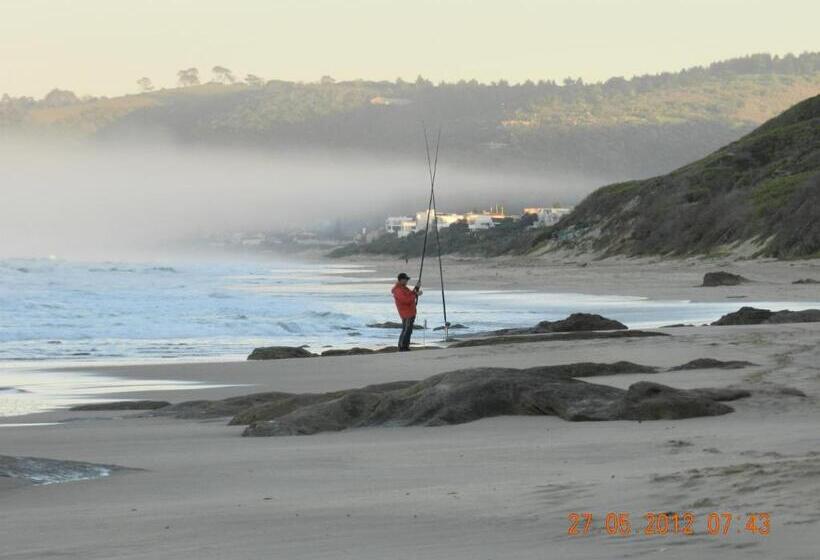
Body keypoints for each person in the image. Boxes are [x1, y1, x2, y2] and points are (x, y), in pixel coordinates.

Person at [392, 272, 422, 351]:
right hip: (406, 313)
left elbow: (410, 294)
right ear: (401, 280)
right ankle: (402, 347)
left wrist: (416, 288)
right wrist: (416, 295)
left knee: (408, 330)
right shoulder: (398, 290)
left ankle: (405, 346)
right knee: (406, 330)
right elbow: (406, 300)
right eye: (406, 280)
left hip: (410, 311)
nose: (407, 281)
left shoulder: (404, 288)